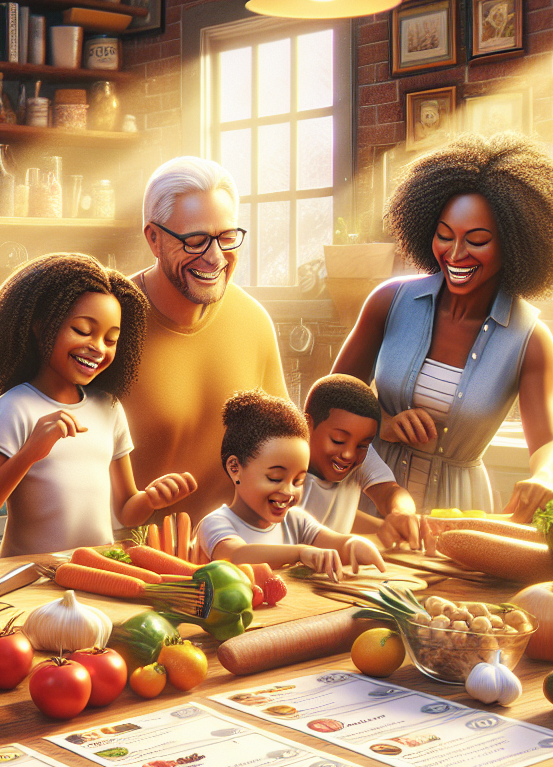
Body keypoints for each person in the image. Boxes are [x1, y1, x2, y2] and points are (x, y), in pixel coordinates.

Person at [331, 132, 553, 522]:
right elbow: (329, 402)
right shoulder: (389, 302)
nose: (456, 254)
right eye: (444, 236)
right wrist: (385, 423)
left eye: (477, 240)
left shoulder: (530, 339)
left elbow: (550, 441)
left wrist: (546, 477)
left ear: (514, 245)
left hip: (461, 511)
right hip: (368, 498)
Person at [0, 253, 199, 556]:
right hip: (32, 576)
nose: (97, 348)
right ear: (40, 325)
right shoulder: (13, 407)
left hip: (97, 572)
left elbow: (126, 510)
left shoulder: (108, 408)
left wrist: (150, 499)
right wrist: (30, 453)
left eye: (110, 340)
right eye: (83, 330)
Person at [119, 156, 287, 523]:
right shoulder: (111, 321)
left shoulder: (254, 320)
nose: (214, 258)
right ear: (154, 239)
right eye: (195, 240)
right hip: (123, 557)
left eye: (227, 237)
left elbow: (285, 450)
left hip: (232, 554)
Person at [197, 389, 386, 578]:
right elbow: (235, 555)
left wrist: (353, 545)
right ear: (235, 468)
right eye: (275, 478)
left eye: (298, 481)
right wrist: (299, 552)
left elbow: (335, 542)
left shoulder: (295, 521)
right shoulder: (216, 523)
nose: (288, 491)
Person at [299, 374, 421, 549]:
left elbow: (389, 492)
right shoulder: (287, 462)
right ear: (307, 425)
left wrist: (402, 514)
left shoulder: (360, 458)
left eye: (363, 445)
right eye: (338, 440)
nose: (349, 454)